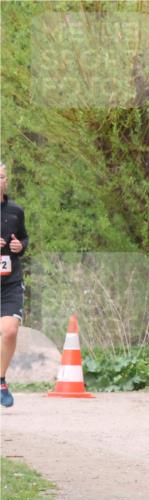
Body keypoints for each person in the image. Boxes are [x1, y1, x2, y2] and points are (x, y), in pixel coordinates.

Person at [1, 162, 29, 408]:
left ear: (6, 181)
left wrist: (21, 246)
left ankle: (1, 381)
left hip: (10, 281)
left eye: (1, 177)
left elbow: (24, 237)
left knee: (9, 331)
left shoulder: (15, 211)